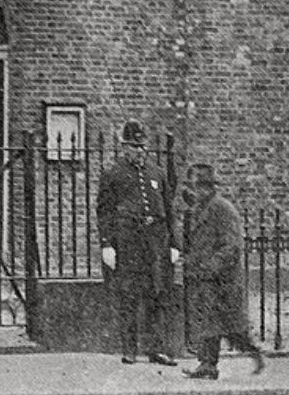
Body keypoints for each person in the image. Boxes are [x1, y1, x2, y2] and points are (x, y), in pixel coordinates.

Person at [96, 121, 180, 365]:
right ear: (124, 147)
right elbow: (104, 212)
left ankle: (157, 349)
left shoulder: (158, 173)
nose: (140, 151)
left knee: (158, 293)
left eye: (142, 146)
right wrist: (107, 244)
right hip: (128, 241)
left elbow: (169, 210)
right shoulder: (113, 173)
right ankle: (129, 349)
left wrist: (174, 244)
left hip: (156, 241)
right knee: (129, 296)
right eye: (134, 146)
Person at [183, 163, 264, 380]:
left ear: (207, 188)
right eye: (193, 187)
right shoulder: (198, 210)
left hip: (224, 279)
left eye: (197, 187)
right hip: (206, 278)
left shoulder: (223, 209)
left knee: (232, 328)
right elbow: (198, 243)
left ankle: (255, 354)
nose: (194, 192)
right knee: (209, 322)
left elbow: (232, 245)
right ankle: (207, 365)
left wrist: (211, 266)